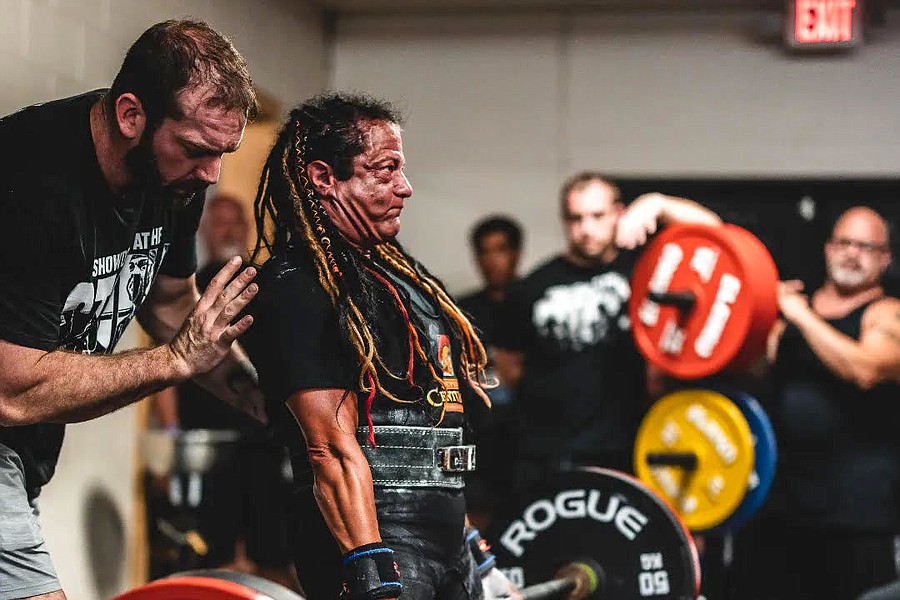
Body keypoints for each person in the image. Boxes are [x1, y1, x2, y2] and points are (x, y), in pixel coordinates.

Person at [0, 20, 263, 600]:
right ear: (130, 115)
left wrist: (278, 412)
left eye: (223, 154)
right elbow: (11, 390)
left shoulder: (172, 182)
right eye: (196, 149)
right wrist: (172, 363)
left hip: (23, 457)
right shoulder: (27, 178)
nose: (211, 174)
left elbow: (171, 304)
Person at [243, 92, 515, 600]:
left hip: (444, 547)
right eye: (385, 170)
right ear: (325, 178)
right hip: (377, 546)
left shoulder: (401, 283)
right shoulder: (299, 285)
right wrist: (370, 570)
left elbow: (428, 441)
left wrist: (479, 560)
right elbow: (329, 450)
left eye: (401, 169)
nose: (405, 188)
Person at [491, 172, 721, 498]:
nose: (586, 229)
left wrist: (657, 203)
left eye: (597, 216)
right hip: (546, 451)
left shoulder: (644, 267)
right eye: (576, 218)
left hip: (625, 445)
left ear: (618, 213)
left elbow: (715, 233)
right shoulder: (534, 285)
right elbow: (509, 365)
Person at [731, 206, 900, 600]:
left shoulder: (886, 315)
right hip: (778, 507)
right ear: (827, 248)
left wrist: (801, 316)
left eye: (866, 246)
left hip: (856, 516)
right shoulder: (789, 313)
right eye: (844, 242)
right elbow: (753, 375)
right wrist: (762, 315)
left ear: (885, 259)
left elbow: (866, 369)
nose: (851, 253)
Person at [149, 193, 299, 591]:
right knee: (211, 553)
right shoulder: (186, 289)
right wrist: (171, 440)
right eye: (220, 222)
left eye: (236, 222)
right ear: (204, 231)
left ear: (248, 229)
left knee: (272, 551)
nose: (229, 230)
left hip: (265, 439)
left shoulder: (271, 286)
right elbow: (168, 366)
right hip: (207, 445)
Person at [457, 216, 523, 530]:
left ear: (516, 253)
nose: (491, 260)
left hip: (526, 445)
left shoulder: (533, 302)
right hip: (479, 444)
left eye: (500, 250)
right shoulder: (462, 311)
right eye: (484, 252)